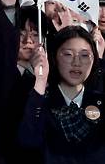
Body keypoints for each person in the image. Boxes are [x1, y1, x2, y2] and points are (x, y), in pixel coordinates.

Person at [18, 26, 105, 163]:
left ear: (94, 59)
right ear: (54, 57)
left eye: (84, 55)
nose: (76, 63)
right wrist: (41, 80)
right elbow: (28, 140)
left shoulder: (101, 102)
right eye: (68, 54)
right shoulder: (39, 101)